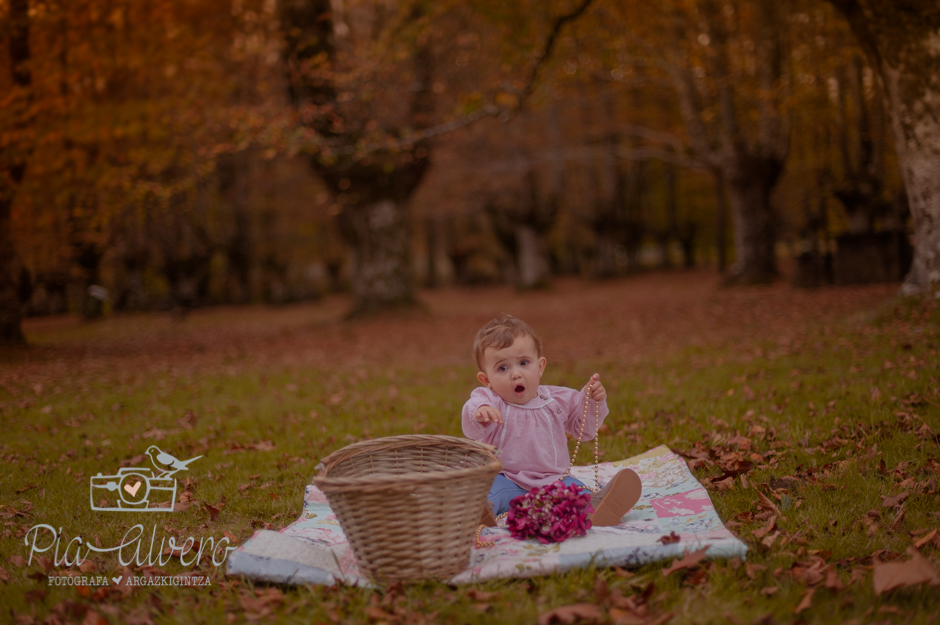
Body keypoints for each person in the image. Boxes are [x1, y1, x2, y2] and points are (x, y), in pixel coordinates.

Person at [462, 315, 642, 527]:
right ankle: (479, 509)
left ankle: (596, 505)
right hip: (508, 479)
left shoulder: (558, 400)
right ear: (486, 380)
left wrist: (591, 401)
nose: (516, 374)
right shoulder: (493, 402)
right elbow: (474, 409)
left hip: (554, 480)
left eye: (523, 363)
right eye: (502, 368)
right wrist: (480, 412)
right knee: (489, 491)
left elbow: (582, 428)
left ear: (540, 366)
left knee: (575, 491)